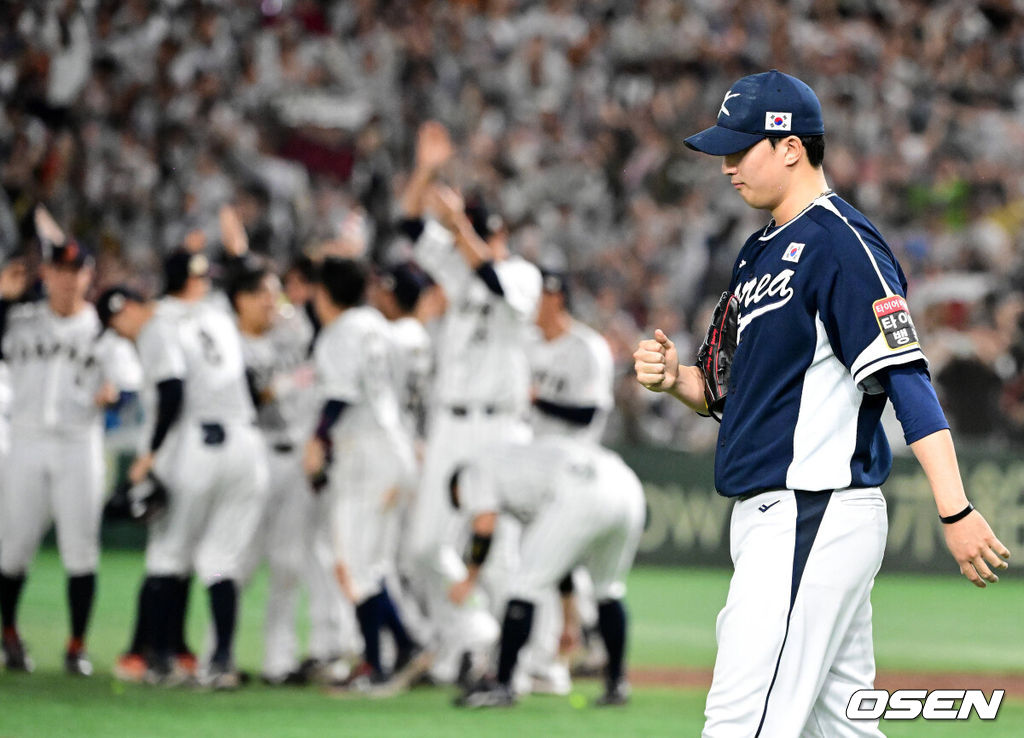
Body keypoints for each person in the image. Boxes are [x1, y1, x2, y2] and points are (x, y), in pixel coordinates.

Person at [633, 69, 1012, 737]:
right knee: (841, 728)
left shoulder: (843, 242)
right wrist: (678, 383)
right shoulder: (756, 253)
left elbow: (907, 378)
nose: (725, 167)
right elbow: (735, 396)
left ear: (790, 147)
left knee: (739, 724)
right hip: (778, 517)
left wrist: (954, 507)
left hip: (811, 511)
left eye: (739, 148)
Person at [400, 121, 542, 682]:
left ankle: (520, 663)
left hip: (500, 429)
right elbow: (410, 223)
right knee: (421, 546)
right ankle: (474, 635)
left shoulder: (521, 274)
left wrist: (459, 226)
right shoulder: (461, 274)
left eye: (472, 235)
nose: (461, 244)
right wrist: (425, 171)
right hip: (451, 423)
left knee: (503, 551)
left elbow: (500, 286)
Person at [98, 247, 269, 689]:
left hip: (195, 443)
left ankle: (157, 659)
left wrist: (148, 456)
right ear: (194, 282)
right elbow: (249, 381)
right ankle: (221, 663)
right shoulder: (219, 314)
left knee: (167, 554)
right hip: (247, 445)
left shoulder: (160, 323)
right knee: (219, 559)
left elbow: (171, 392)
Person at [303, 257, 428, 691]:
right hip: (394, 445)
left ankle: (379, 662)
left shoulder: (340, 332)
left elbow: (339, 396)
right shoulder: (378, 324)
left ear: (324, 294)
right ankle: (404, 644)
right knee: (369, 565)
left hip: (365, 453)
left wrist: (316, 440)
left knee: (355, 565)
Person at [448, 437, 645, 708]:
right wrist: (568, 621)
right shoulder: (519, 467)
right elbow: (559, 562)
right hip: (626, 485)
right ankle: (616, 684)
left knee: (522, 587)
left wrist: (468, 579)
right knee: (607, 589)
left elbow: (484, 525)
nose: (467, 507)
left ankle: (502, 684)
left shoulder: (475, 469)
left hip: (581, 489)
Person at [0, 235, 119, 676]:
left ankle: (76, 646)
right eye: (61, 271)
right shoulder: (21, 319)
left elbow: (124, 381)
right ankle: (9, 633)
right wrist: (2, 302)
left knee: (81, 549)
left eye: (77, 272)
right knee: (13, 548)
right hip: (26, 440)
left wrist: (116, 398)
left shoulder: (103, 329)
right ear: (46, 273)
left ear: (89, 278)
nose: (68, 280)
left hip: (78, 443)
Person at [228, 262, 350, 685]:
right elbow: (250, 396)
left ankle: (278, 660)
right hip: (253, 456)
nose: (271, 301)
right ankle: (218, 652)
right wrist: (281, 385)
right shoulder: (230, 341)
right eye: (262, 293)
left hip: (295, 458)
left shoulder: (292, 330)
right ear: (239, 299)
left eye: (274, 292)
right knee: (238, 561)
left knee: (288, 562)